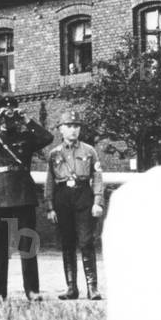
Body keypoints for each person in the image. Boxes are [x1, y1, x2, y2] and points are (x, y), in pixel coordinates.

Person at [0, 95, 53, 301]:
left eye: (12, 112)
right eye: (4, 112)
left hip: (23, 194)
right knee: (0, 247)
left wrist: (27, 120)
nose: (9, 116)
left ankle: (32, 290)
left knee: (28, 245)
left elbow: (47, 138)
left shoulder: (26, 137)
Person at [44, 110, 105, 300]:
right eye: (69, 126)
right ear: (61, 129)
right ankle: (71, 287)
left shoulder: (89, 151)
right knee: (68, 242)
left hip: (83, 196)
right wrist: (50, 207)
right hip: (63, 198)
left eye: (76, 126)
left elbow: (97, 177)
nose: (73, 130)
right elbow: (50, 182)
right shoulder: (54, 154)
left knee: (87, 241)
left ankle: (92, 287)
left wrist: (97, 202)